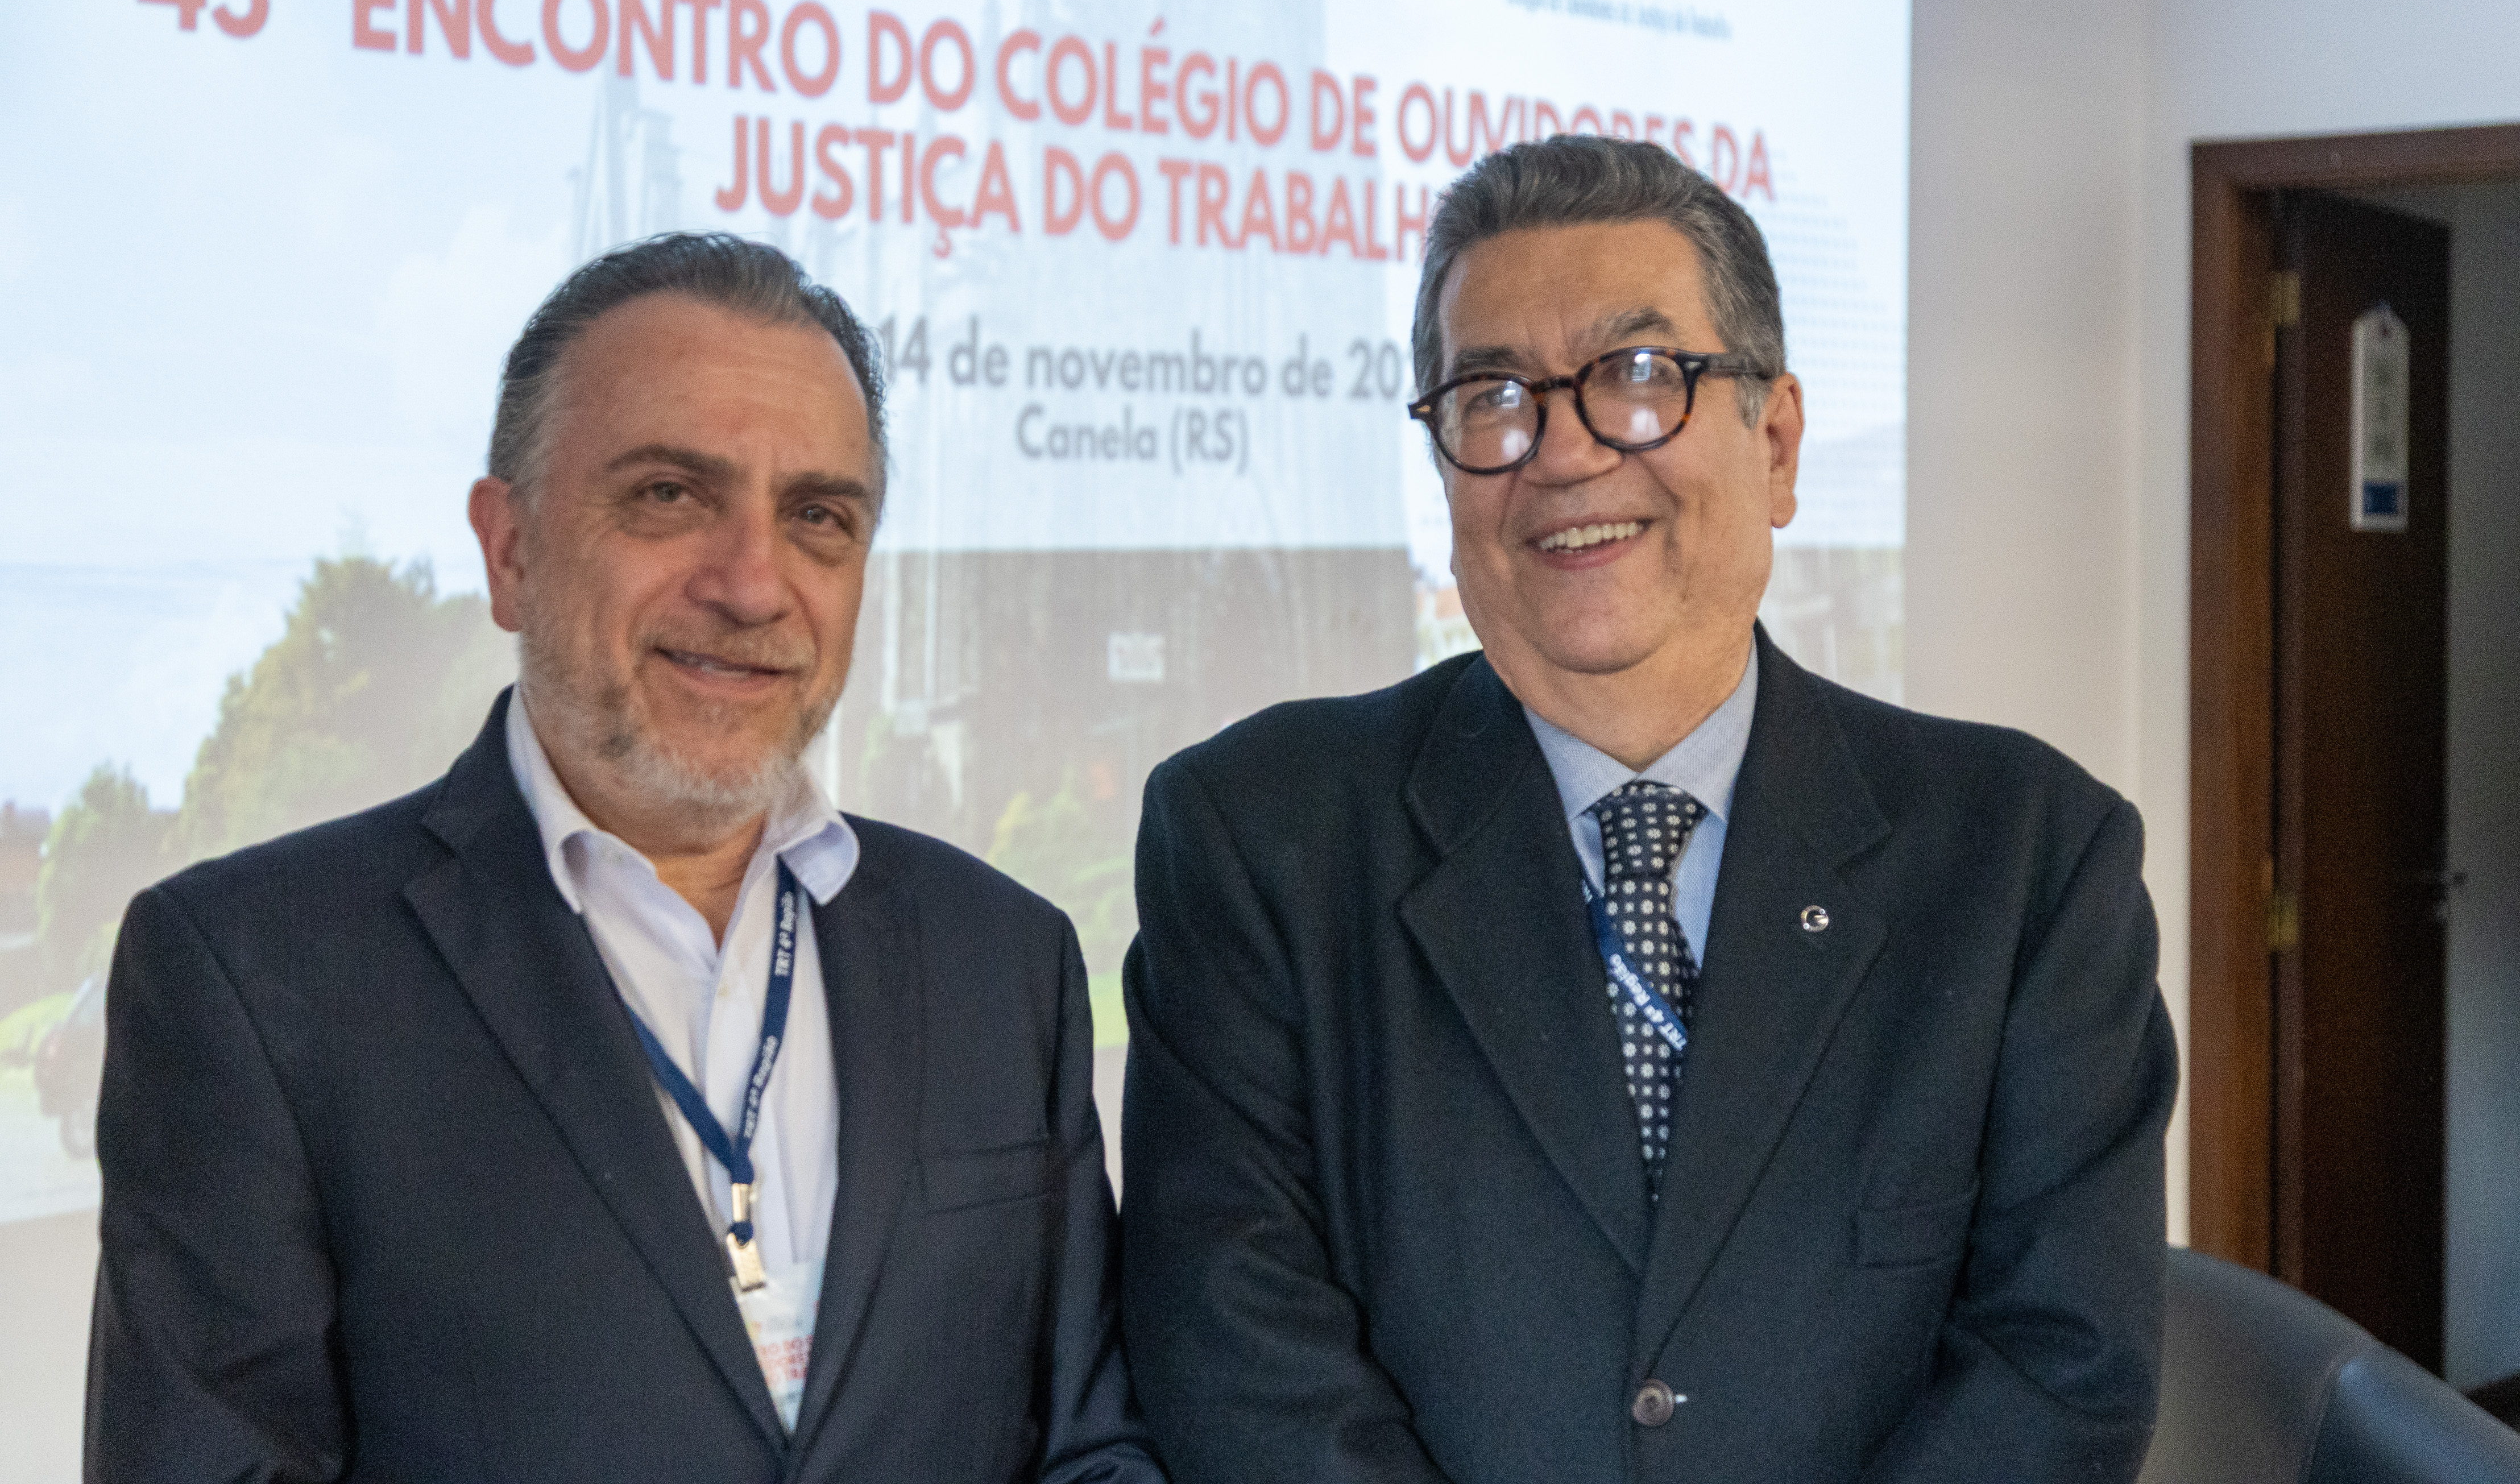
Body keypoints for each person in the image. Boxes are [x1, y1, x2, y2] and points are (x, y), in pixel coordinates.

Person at [1118, 136, 2178, 1483]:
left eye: (1638, 379)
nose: (1561, 454)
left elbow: (2062, 1367)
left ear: (1777, 442)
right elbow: (1240, 1360)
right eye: (1493, 394)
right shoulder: (1257, 837)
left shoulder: (2028, 858)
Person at [89, 234, 1159, 1484]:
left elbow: (1093, 1449)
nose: (754, 583)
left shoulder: (1004, 958)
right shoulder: (252, 978)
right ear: (511, 549)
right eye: (670, 495)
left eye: (818, 517)